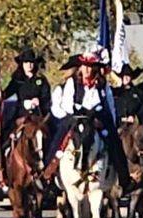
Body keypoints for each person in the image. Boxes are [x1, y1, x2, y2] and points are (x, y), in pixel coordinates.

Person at [44, 51, 130, 190]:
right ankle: (49, 171)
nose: (87, 70)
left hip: (97, 118)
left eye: (90, 66)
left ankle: (122, 177)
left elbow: (109, 105)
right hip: (77, 118)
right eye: (85, 66)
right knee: (60, 138)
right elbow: (67, 104)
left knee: (113, 140)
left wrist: (111, 122)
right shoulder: (73, 82)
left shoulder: (102, 84)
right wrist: (80, 114)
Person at [3, 48, 51, 133]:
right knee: (7, 131)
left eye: (31, 62)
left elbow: (47, 97)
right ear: (22, 64)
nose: (29, 65)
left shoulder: (41, 80)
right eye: (26, 62)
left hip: (38, 114)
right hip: (21, 114)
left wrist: (39, 100)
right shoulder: (17, 80)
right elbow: (6, 94)